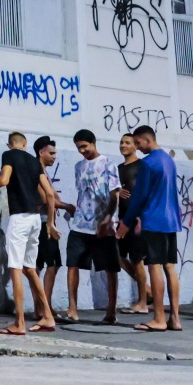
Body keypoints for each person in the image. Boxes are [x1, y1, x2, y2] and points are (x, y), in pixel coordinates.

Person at [0, 131, 56, 336]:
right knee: (30, 269)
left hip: (19, 218)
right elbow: (48, 194)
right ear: (25, 144)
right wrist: (51, 223)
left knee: (16, 268)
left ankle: (19, 322)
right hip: (36, 219)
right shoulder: (33, 160)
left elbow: (4, 180)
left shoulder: (9, 155)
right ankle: (48, 316)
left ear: (10, 145)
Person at [124, 125, 182, 333]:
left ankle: (158, 318)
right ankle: (174, 317)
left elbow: (139, 196)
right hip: (171, 220)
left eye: (138, 143)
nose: (137, 149)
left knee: (154, 266)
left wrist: (126, 222)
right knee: (170, 267)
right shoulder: (169, 160)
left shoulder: (147, 164)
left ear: (147, 140)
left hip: (154, 220)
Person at [60, 128, 120, 324]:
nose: (82, 151)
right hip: (79, 224)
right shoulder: (78, 166)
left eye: (84, 147)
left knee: (109, 268)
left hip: (102, 225)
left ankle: (111, 311)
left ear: (94, 142)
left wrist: (108, 218)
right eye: (78, 148)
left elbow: (114, 195)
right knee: (73, 264)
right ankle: (73, 309)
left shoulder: (108, 164)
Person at [113, 132, 150, 314]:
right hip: (122, 219)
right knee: (118, 256)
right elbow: (112, 190)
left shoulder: (142, 166)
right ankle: (147, 291)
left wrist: (141, 218)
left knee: (137, 260)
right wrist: (117, 193)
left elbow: (146, 193)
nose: (123, 145)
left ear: (135, 146)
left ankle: (142, 302)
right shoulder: (118, 168)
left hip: (136, 220)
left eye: (127, 143)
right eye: (121, 142)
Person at [33, 137, 65, 318]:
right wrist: (65, 206)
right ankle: (45, 307)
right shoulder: (39, 173)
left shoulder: (43, 172)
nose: (54, 157)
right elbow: (47, 199)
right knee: (51, 263)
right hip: (44, 223)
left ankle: (42, 308)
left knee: (39, 265)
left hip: (42, 221)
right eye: (51, 153)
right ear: (41, 153)